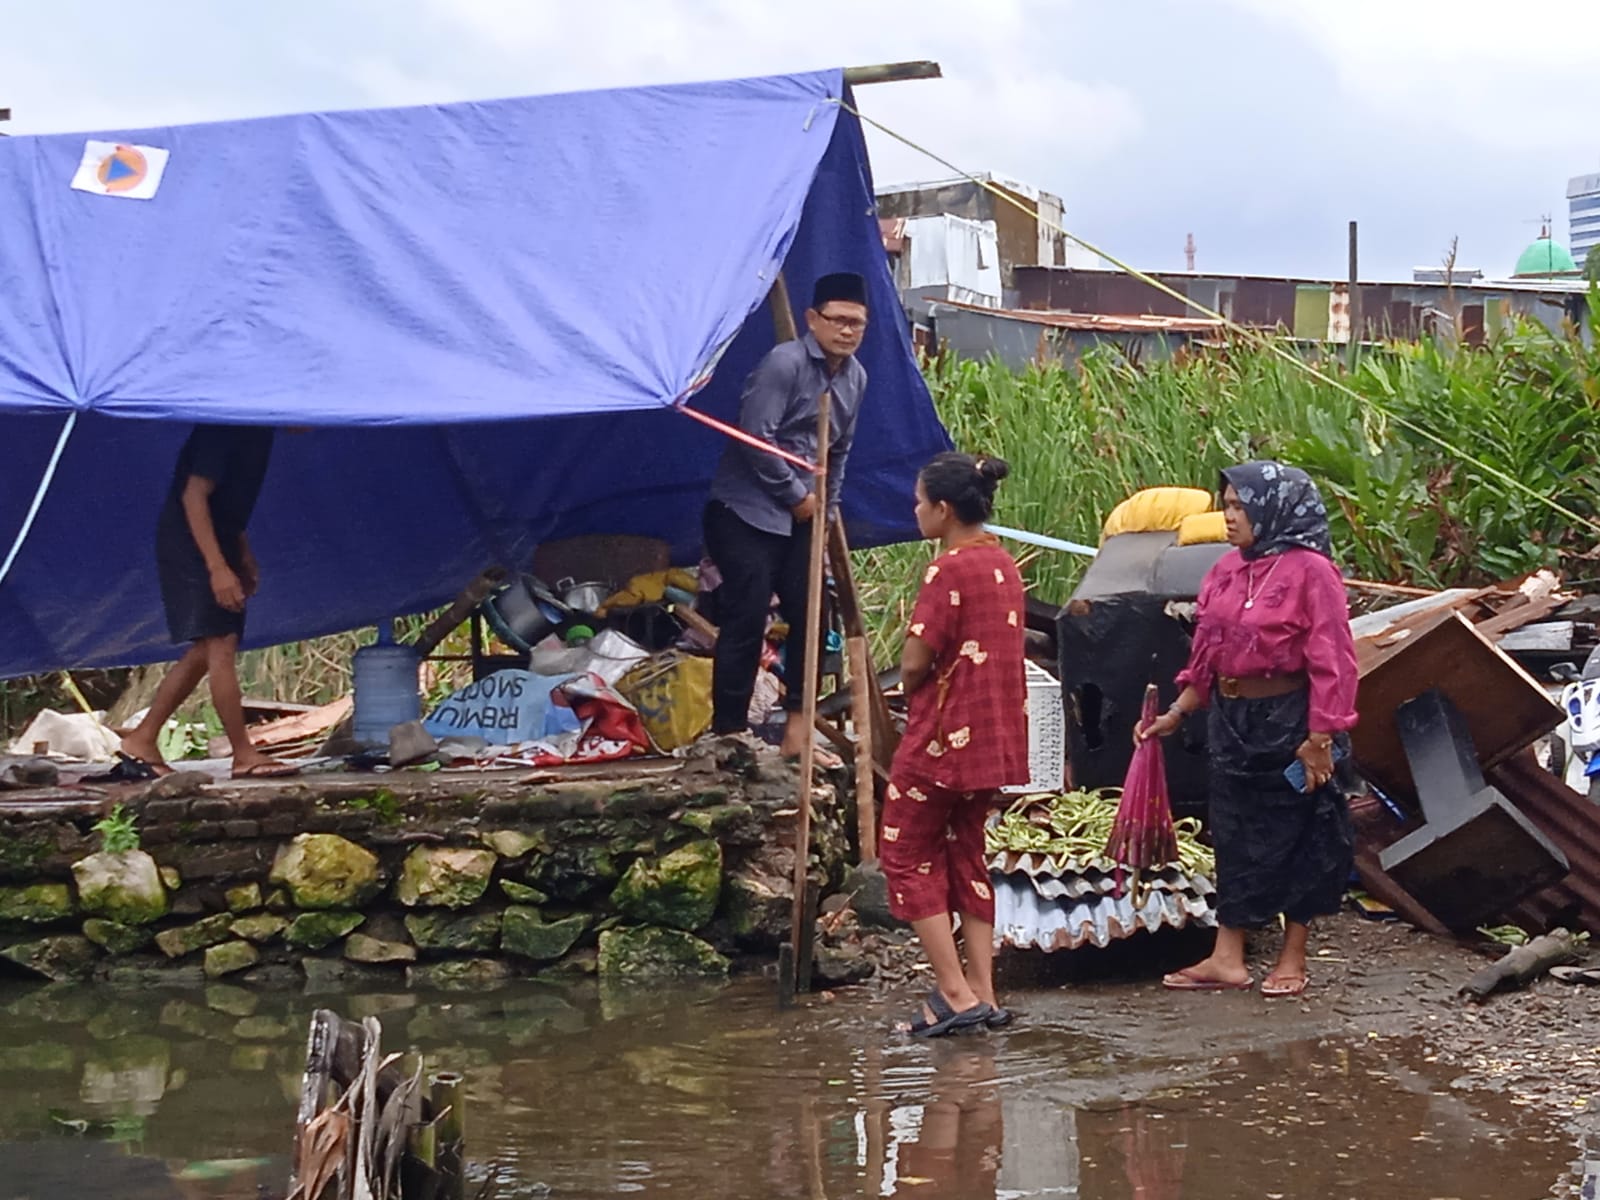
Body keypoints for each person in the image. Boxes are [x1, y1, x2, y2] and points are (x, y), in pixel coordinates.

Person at [1137, 461, 1358, 998]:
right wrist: (1179, 711)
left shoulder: (1313, 572)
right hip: (1234, 723)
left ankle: (1292, 957)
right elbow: (1209, 656)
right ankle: (1227, 957)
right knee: (1234, 833)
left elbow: (1334, 659)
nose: (1230, 517)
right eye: (1228, 504)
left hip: (1293, 720)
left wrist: (1320, 738)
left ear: (1274, 510)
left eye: (1241, 506)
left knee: (1303, 832)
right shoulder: (1227, 571)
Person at [881, 452, 1028, 1037]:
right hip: (993, 742)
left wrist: (908, 681)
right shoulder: (1004, 564)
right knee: (966, 854)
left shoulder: (948, 569)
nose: (915, 511)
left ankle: (953, 991)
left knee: (904, 852)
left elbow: (915, 662)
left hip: (942, 740)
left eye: (920, 502)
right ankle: (982, 992)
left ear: (943, 510)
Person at [704, 271, 868, 759]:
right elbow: (755, 437)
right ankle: (729, 731)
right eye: (837, 320)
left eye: (857, 323)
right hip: (746, 510)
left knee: (814, 614)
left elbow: (838, 453)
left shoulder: (855, 378)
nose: (847, 331)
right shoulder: (785, 364)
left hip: (804, 514)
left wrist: (825, 512)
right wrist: (797, 496)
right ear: (812, 320)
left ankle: (799, 725)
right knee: (748, 612)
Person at [118, 424, 298, 780]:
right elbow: (194, 497)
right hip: (191, 545)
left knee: (210, 643)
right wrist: (217, 567)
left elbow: (226, 504)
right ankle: (243, 753)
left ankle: (143, 738)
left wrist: (241, 553)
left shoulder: (260, 433)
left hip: (221, 537)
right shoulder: (226, 426)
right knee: (221, 643)